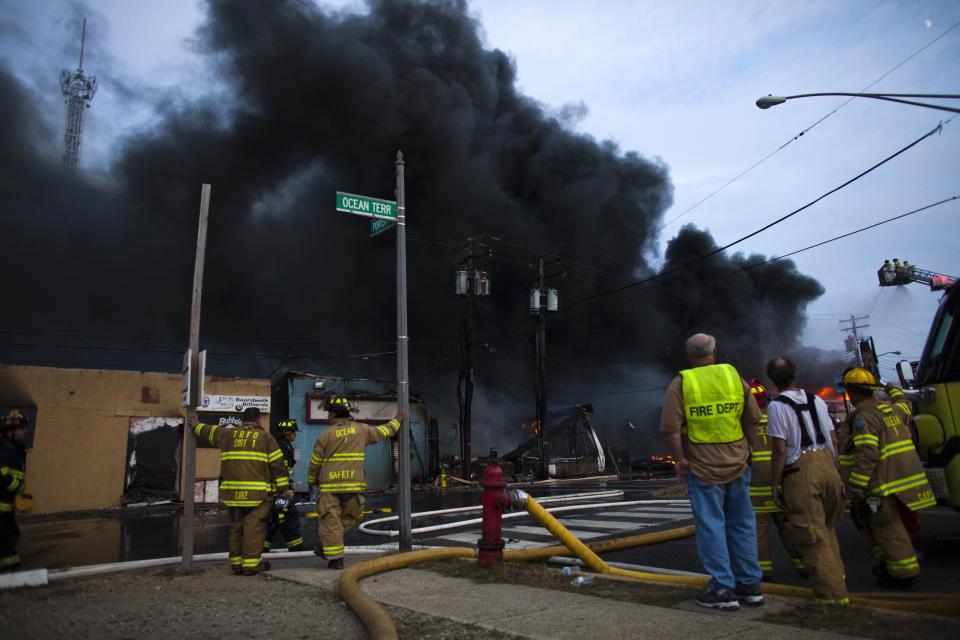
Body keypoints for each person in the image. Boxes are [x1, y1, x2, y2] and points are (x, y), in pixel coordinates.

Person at [660, 333, 763, 610]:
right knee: (742, 523)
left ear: (689, 355)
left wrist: (681, 459)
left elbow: (671, 428)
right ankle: (750, 585)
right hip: (738, 463)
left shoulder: (682, 383)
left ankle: (722, 589)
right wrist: (746, 449)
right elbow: (753, 419)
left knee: (711, 526)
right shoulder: (734, 378)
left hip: (702, 467)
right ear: (714, 352)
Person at [840, 367, 935, 590]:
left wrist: (856, 487)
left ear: (852, 392)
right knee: (885, 526)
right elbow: (905, 403)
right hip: (905, 480)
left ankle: (904, 574)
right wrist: (890, 388)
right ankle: (890, 565)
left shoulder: (864, 419)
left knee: (887, 527)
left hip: (882, 484)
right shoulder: (893, 410)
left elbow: (867, 455)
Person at [765, 357, 848, 605]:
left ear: (772, 379)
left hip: (801, 472)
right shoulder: (817, 399)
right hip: (828, 467)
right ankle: (838, 579)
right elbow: (834, 440)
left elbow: (780, 449)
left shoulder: (776, 407)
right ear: (794, 373)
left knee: (812, 538)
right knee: (827, 530)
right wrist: (836, 470)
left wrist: (775, 483)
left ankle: (832, 598)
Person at [307, 395, 405, 570]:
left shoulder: (325, 435)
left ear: (335, 413)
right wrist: (397, 420)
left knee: (331, 521)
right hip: (353, 485)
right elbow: (385, 431)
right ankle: (327, 547)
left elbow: (315, 462)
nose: (327, 415)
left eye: (329, 412)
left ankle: (335, 558)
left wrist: (311, 481)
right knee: (346, 518)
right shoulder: (362, 429)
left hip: (330, 487)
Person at [189, 407, 289, 576]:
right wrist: (283, 489)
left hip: (233, 494)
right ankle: (250, 566)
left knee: (236, 528)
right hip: (257, 496)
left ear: (243, 419)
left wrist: (196, 425)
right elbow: (277, 465)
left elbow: (209, 431)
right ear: (258, 420)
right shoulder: (265, 438)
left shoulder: (228, 435)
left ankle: (236, 565)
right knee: (254, 528)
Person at [746, 380, 803, 582]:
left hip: (756, 484)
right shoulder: (777, 417)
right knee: (787, 526)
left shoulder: (742, 424)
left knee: (759, 530)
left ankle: (763, 571)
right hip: (779, 482)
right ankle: (803, 564)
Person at [264, 418, 304, 553]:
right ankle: (296, 546)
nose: (295, 435)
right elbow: (281, 470)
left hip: (275, 489)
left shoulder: (281, 444)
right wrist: (285, 489)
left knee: (275, 517)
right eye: (294, 432)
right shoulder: (283, 446)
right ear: (288, 433)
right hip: (279, 490)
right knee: (287, 515)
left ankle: (264, 545)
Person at [0, 411, 28, 573]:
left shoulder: (13, 448)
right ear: (10, 431)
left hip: (6, 507)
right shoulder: (6, 448)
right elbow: (1, 473)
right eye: (21, 429)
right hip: (2, 507)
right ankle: (11, 574)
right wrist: (17, 486)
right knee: (5, 541)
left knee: (9, 537)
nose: (23, 432)